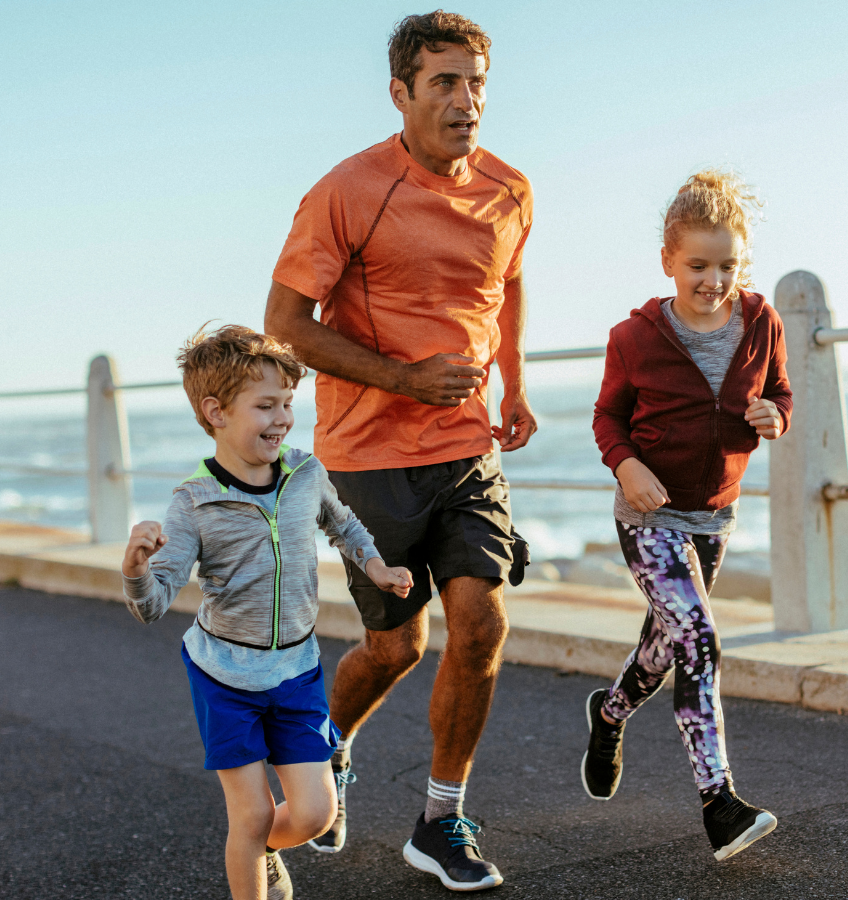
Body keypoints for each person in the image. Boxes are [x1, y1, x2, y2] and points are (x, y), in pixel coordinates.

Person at [262, 10, 534, 892]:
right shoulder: (347, 191)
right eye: (446, 83)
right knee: (395, 650)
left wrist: (517, 385)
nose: (466, 101)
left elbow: (507, 285)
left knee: (482, 622)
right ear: (402, 93)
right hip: (369, 455)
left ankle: (440, 818)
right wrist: (405, 378)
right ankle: (327, 747)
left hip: (465, 447)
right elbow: (285, 327)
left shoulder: (510, 189)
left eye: (477, 83)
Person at [120, 325, 414, 900]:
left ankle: (263, 852)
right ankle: (252, 856)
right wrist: (135, 568)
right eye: (265, 406)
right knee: (250, 817)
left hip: (296, 669)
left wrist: (375, 564)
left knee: (313, 817)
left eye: (288, 404)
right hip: (224, 676)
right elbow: (153, 604)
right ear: (216, 412)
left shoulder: (305, 474)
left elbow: (343, 523)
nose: (282, 419)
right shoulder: (194, 503)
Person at [584, 170, 792, 861]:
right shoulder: (634, 337)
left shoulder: (761, 321)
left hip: (714, 519)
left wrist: (775, 416)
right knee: (700, 640)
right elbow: (608, 417)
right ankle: (719, 804)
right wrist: (626, 465)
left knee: (665, 646)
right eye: (699, 265)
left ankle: (609, 714)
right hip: (649, 517)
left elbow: (781, 394)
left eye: (727, 265)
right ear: (669, 260)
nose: (713, 280)